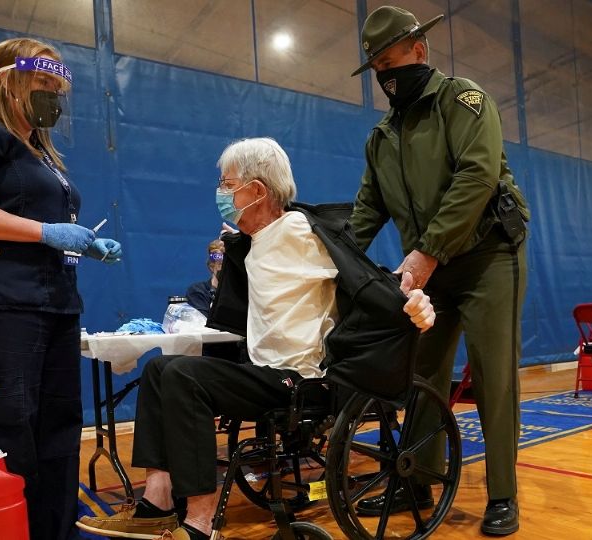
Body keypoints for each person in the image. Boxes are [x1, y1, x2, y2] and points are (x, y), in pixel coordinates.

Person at [76, 137, 435, 540]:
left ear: (258, 190)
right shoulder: (251, 244)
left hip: (301, 380)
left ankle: (199, 521)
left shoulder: (299, 229)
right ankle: (157, 502)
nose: (221, 193)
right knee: (160, 368)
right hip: (262, 372)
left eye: (228, 185)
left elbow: (361, 274)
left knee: (183, 377)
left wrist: (410, 300)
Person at [347, 6, 530, 536]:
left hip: (487, 255)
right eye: (377, 67)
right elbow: (365, 212)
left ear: (419, 51)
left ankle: (503, 495)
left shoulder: (465, 101)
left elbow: (477, 178)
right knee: (422, 374)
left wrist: (427, 251)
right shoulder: (382, 138)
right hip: (430, 267)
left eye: (391, 61)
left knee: (493, 374)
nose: (386, 76)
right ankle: (416, 479)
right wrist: (326, 258)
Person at [0, 37, 122, 540]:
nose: (53, 96)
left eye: (58, 86)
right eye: (42, 84)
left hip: (55, 302)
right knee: (11, 426)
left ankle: (57, 530)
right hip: (0, 303)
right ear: (9, 81)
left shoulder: (41, 154)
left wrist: (83, 242)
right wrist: (44, 232)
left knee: (60, 427)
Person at [184, 238, 224, 317]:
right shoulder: (198, 292)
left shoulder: (244, 293)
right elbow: (202, 325)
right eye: (221, 264)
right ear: (211, 267)